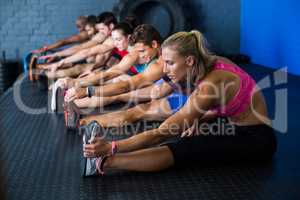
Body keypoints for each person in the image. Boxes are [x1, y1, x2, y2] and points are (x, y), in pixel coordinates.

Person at [81, 30, 277, 176]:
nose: (165, 69)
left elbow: (161, 133)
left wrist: (112, 146)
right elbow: (228, 102)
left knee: (184, 147)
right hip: (236, 123)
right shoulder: (212, 62)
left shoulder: (210, 84)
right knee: (186, 132)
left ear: (190, 60)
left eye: (170, 63)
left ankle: (105, 162)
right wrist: (198, 119)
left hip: (256, 138)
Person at [32, 15, 98, 54]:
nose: (78, 30)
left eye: (79, 27)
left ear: (85, 25)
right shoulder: (87, 33)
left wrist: (45, 48)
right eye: (77, 27)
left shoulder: (84, 34)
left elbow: (64, 42)